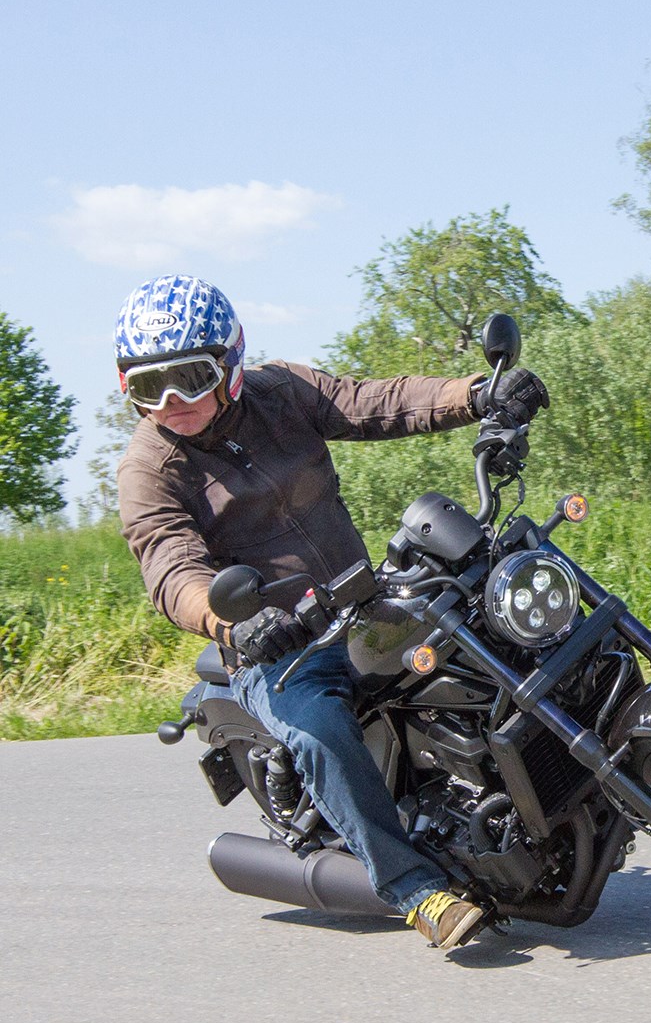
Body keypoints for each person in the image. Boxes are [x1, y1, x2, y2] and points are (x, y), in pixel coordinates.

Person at [115, 273, 548, 951]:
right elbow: (170, 566)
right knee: (317, 728)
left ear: (229, 362)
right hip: (275, 646)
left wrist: (477, 394)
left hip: (361, 602)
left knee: (491, 629)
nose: (172, 403)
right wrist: (232, 622)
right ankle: (416, 890)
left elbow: (375, 403)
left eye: (189, 379)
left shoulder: (281, 392)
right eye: (150, 387)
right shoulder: (149, 470)